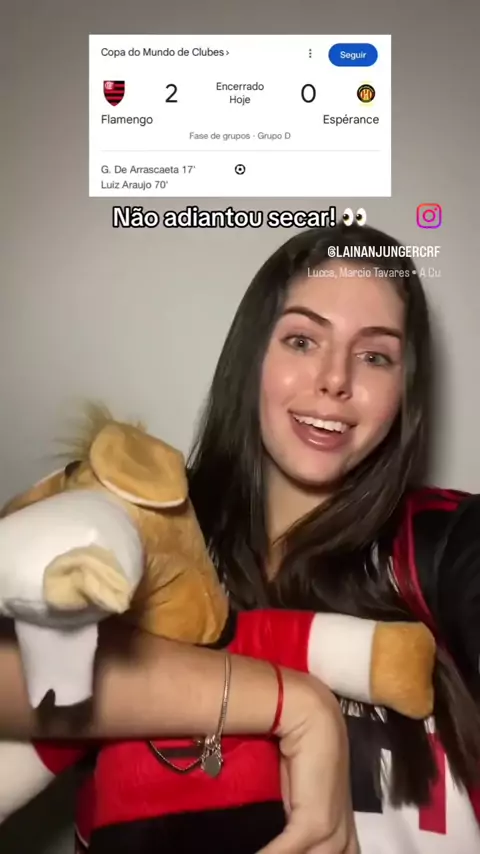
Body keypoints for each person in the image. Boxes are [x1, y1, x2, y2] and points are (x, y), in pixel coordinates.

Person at [1, 221, 480, 853]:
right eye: (302, 340)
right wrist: (292, 703)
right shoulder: (146, 522)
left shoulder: (447, 541)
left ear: (404, 390)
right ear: (253, 356)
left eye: (374, 356)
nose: (335, 379)